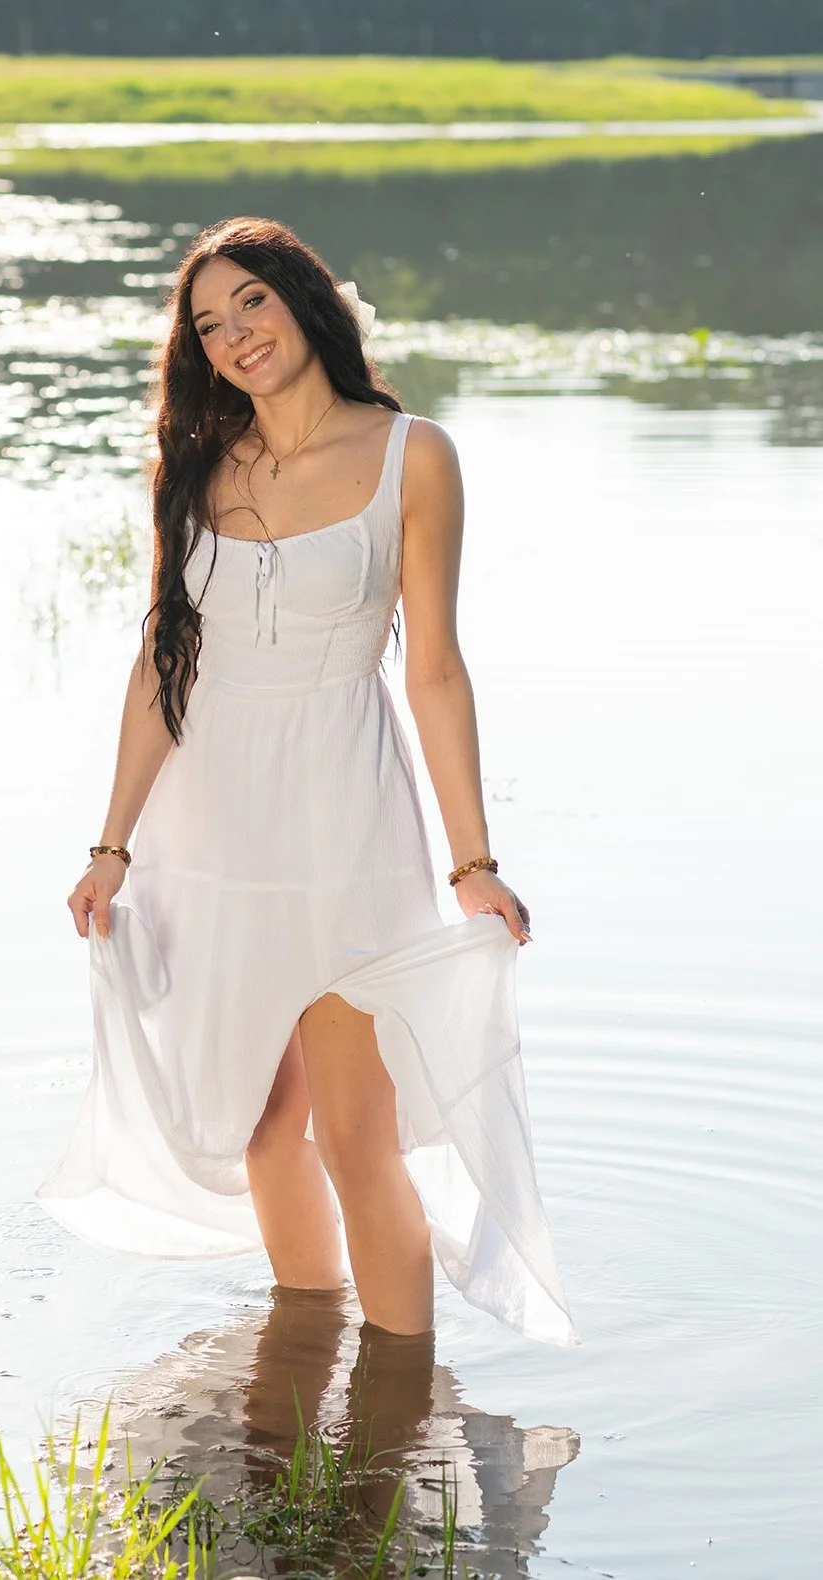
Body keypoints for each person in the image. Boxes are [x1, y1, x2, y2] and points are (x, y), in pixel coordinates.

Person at [38, 216, 575, 1347]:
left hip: (345, 818)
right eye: (209, 323)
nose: (236, 334)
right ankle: (299, 1365)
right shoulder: (195, 463)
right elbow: (161, 661)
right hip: (213, 831)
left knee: (354, 1131)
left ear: (305, 301)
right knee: (264, 1123)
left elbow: (433, 667)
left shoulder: (411, 454)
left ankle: (394, 1417)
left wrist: (471, 863)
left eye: (254, 304)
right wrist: (111, 842)